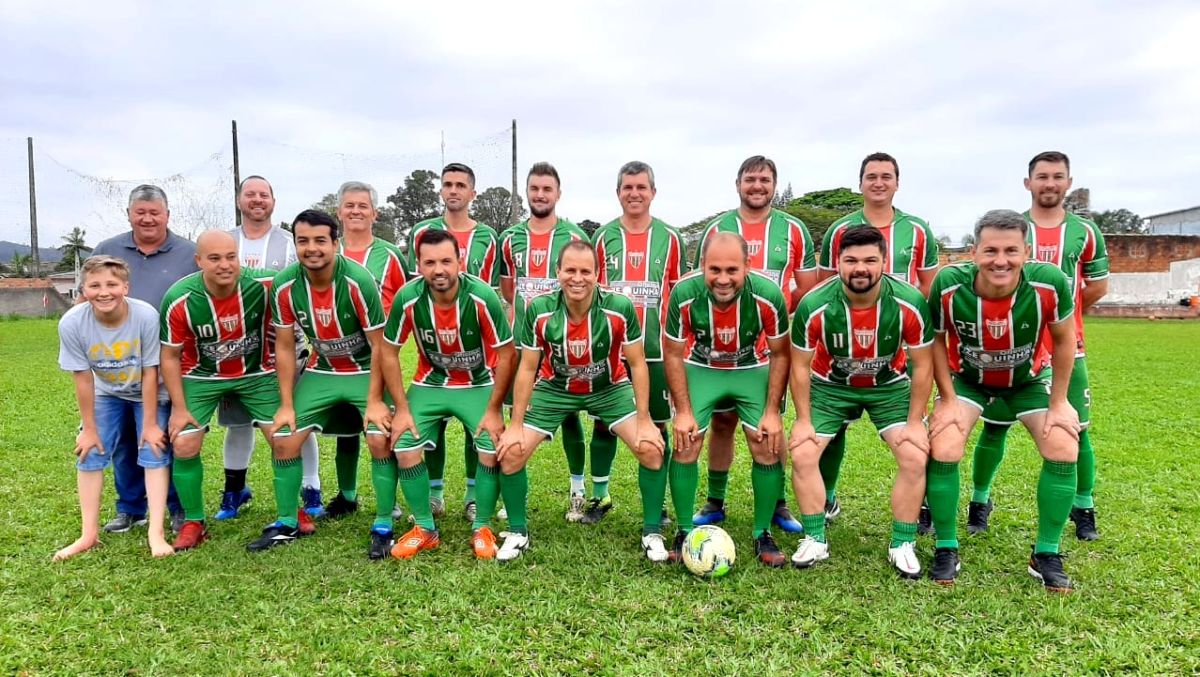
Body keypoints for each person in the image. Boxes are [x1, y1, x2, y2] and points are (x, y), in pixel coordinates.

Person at [926, 209, 1080, 592]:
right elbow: (935, 342)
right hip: (968, 380)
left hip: (1027, 381)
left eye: (1011, 250)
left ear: (1026, 252)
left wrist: (1059, 402)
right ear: (974, 251)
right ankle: (946, 546)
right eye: (991, 250)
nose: (1000, 260)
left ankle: (1045, 553)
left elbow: (1064, 341)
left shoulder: (1049, 282)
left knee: (1063, 445)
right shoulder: (948, 283)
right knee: (943, 443)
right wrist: (945, 398)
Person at [967, 151, 1109, 541]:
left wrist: (1062, 317)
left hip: (1068, 348)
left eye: (1057, 177)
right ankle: (980, 501)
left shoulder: (1085, 232)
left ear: (1068, 182)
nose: (1050, 183)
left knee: (1074, 429)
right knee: (994, 429)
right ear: (1028, 183)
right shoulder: (1012, 231)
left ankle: (1084, 507)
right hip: (1012, 349)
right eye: (1042, 176)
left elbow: (1096, 286)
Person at [495, 241, 666, 562]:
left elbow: (638, 363)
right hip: (555, 387)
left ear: (597, 274)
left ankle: (652, 531)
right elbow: (528, 367)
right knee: (511, 453)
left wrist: (645, 420)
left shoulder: (619, 307)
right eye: (570, 270)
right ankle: (518, 532)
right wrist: (515, 425)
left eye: (585, 271)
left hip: (609, 387)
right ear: (557, 272)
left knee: (652, 450)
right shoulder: (540, 309)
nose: (578, 278)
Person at [788, 226, 933, 577]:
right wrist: (803, 419)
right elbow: (799, 366)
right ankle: (815, 537)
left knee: (915, 454)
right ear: (837, 263)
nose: (860, 268)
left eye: (870, 260)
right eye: (850, 260)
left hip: (888, 386)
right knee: (803, 451)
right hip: (831, 385)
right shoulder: (815, 304)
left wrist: (915, 422)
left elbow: (923, 363)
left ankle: (902, 543)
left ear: (884, 261)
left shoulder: (909, 302)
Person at [269, 210, 417, 554]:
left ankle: (383, 522)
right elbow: (285, 344)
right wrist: (287, 403)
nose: (312, 248)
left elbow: (381, 345)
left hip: (365, 370)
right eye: (303, 241)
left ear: (335, 243)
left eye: (320, 240)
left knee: (380, 437)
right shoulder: (285, 284)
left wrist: (377, 400)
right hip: (323, 370)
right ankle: (287, 523)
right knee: (283, 438)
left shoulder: (358, 280)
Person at [159, 231, 311, 550]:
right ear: (198, 261)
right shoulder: (179, 298)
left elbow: (304, 271)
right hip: (201, 377)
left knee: (284, 438)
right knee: (184, 442)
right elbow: (170, 356)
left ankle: (289, 514)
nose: (225, 265)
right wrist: (179, 407)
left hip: (256, 374)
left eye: (231, 257)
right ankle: (194, 522)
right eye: (214, 258)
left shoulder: (262, 285)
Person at [690, 156, 815, 533]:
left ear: (775, 185)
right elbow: (702, 284)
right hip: (718, 349)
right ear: (738, 184)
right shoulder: (718, 228)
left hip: (767, 350)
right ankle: (715, 500)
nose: (757, 186)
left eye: (764, 180)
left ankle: (777, 504)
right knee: (722, 423)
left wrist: (770, 314)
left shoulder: (794, 229)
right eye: (750, 179)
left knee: (767, 428)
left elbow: (806, 287)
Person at [374, 229, 515, 560]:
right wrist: (403, 408)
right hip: (430, 382)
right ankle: (425, 528)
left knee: (490, 445)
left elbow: (507, 354)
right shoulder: (408, 298)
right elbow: (389, 352)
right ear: (419, 265)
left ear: (460, 262)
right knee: (405, 443)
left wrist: (495, 409)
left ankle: (481, 525)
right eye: (430, 262)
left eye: (446, 261)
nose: (439, 269)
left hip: (476, 382)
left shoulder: (481, 296)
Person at [816, 153, 940, 526]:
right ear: (861, 183)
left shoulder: (918, 230)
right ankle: (828, 496)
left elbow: (929, 288)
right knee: (832, 428)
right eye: (871, 176)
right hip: (843, 348)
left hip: (899, 346)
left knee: (916, 429)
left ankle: (923, 505)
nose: (879, 182)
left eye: (887, 176)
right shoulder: (840, 230)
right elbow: (825, 285)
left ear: (897, 183)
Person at [664, 232, 791, 567]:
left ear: (747, 267)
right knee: (686, 439)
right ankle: (682, 530)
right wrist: (684, 412)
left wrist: (772, 411)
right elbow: (674, 354)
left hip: (750, 367)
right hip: (702, 367)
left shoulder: (767, 294)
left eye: (732, 270)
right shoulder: (684, 293)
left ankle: (762, 531)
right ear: (702, 265)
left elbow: (780, 354)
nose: (723, 279)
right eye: (714, 269)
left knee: (766, 440)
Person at [217, 175, 324, 521]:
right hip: (239, 351)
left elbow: (306, 289)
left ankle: (311, 487)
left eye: (264, 195)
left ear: (273, 202)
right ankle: (235, 489)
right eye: (250, 194)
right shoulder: (225, 241)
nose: (257, 200)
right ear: (239, 200)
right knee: (238, 422)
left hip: (286, 348)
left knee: (296, 417)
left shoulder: (291, 243)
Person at [91, 184, 194, 534]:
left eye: (155, 212)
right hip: (117, 368)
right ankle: (131, 508)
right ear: (130, 214)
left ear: (167, 215)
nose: (148, 218)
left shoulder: (188, 253)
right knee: (122, 440)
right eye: (141, 212)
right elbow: (89, 299)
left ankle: (179, 507)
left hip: (170, 365)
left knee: (168, 437)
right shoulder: (108, 250)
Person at [54, 256, 172, 560]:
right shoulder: (72, 323)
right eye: (94, 285)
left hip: (150, 391)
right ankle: (88, 534)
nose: (103, 292)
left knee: (153, 448)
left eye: (111, 284)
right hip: (107, 391)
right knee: (90, 450)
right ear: (83, 289)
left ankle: (155, 533)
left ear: (125, 287)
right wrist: (90, 429)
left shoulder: (145, 316)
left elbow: (150, 371)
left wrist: (148, 424)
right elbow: (82, 378)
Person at [591, 161, 687, 524]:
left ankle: (656, 504)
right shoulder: (601, 237)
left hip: (656, 351)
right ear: (618, 192)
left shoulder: (671, 238)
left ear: (653, 192)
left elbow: (676, 296)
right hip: (611, 350)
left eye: (641, 187)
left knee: (657, 425)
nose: (634, 193)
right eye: (627, 187)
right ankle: (599, 497)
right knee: (604, 423)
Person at [407, 163, 502, 522]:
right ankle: (434, 494)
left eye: (461, 185)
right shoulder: (422, 231)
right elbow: (415, 290)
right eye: (447, 184)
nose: (453, 190)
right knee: (437, 423)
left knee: (474, 424)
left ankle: (473, 495)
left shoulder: (488, 237)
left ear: (472, 193)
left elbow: (495, 290)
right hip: (435, 348)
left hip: (477, 349)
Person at [499, 162, 593, 522]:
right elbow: (510, 289)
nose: (540, 194)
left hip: (565, 342)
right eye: (534, 188)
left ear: (558, 193)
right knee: (516, 414)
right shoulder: (511, 237)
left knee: (569, 415)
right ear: (527, 192)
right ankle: (512, 493)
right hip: (524, 342)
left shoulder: (572, 236)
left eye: (547, 189)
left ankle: (577, 489)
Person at [324, 181, 408, 520]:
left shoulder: (390, 255)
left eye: (363, 205)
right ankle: (347, 495)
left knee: (382, 430)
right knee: (346, 432)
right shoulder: (327, 249)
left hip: (376, 356)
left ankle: (393, 499)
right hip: (336, 359)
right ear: (339, 212)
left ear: (375, 212)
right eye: (349, 205)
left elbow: (405, 302)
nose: (356, 211)